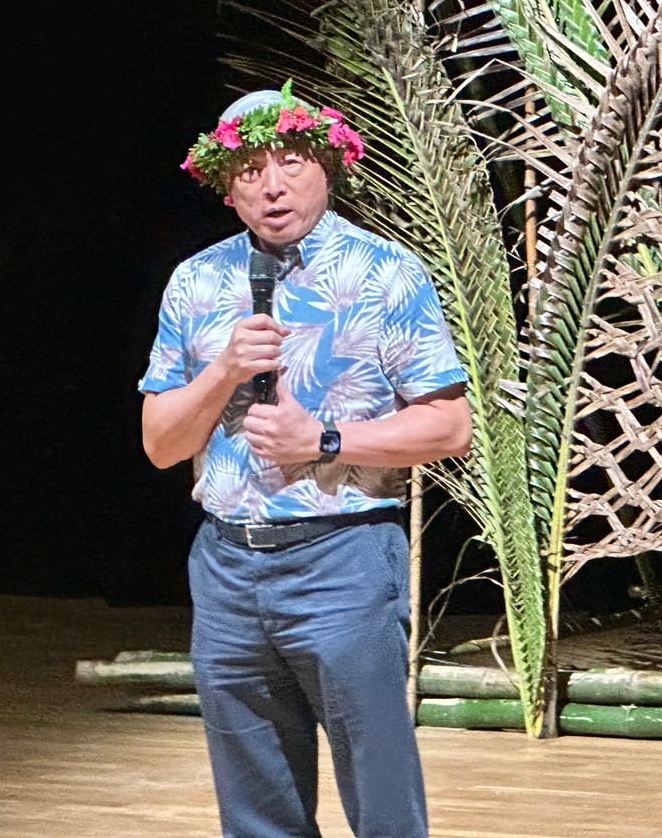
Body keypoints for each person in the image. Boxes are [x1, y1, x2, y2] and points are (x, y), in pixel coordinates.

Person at [139, 83, 472, 838]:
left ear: (327, 168)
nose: (271, 185)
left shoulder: (386, 274)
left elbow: (450, 426)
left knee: (380, 794)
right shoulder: (197, 280)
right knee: (256, 807)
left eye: (290, 161)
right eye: (249, 169)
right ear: (227, 190)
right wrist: (224, 370)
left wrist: (322, 440)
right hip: (227, 565)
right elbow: (161, 444)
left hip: (342, 557)